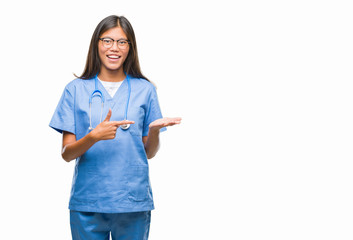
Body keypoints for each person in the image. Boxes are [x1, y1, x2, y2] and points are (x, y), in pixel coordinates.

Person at [49, 15, 181, 240]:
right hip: (88, 201)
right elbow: (66, 154)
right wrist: (94, 137)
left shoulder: (145, 90)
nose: (114, 48)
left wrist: (156, 131)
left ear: (130, 48)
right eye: (107, 40)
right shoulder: (75, 90)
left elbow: (148, 152)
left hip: (132, 201)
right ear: (96, 44)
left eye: (122, 42)